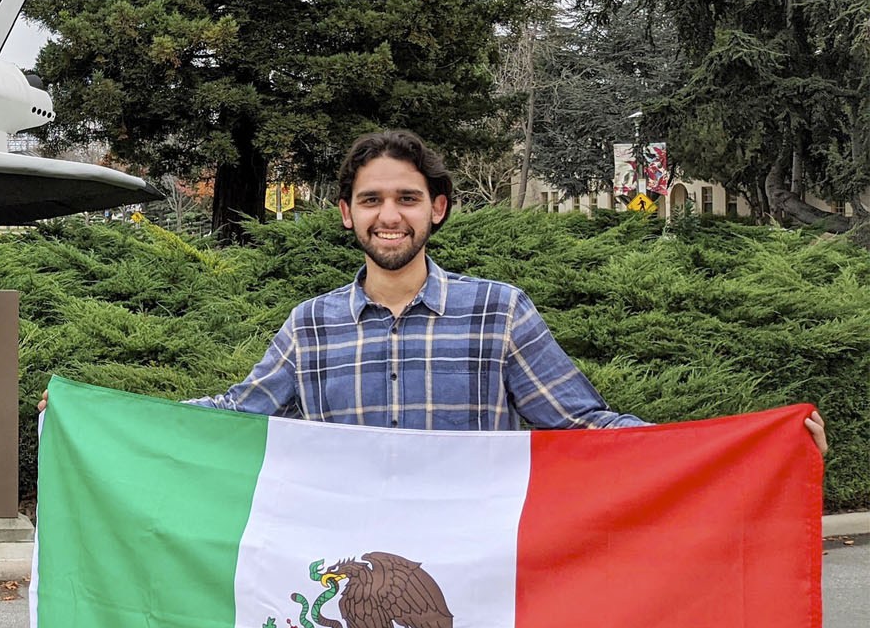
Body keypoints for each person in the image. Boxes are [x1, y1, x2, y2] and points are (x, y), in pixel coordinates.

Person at [40, 129, 828, 451]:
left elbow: (586, 427)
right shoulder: (311, 326)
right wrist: (93, 416)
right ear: (346, 214)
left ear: (437, 209)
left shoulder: (498, 312)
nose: (391, 216)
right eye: (374, 200)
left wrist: (756, 445)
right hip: (348, 570)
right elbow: (231, 417)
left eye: (408, 199)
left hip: (472, 574)